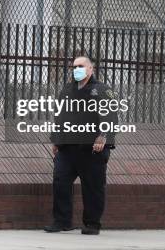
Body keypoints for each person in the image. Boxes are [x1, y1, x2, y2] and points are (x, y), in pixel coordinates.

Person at [44, 56, 118, 235]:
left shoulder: (102, 90)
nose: (77, 69)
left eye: (81, 66)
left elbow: (110, 116)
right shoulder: (67, 90)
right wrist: (56, 140)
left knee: (92, 187)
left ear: (91, 69)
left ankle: (92, 224)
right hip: (68, 148)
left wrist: (104, 137)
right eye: (74, 66)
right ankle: (62, 221)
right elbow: (60, 116)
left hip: (92, 149)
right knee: (60, 182)